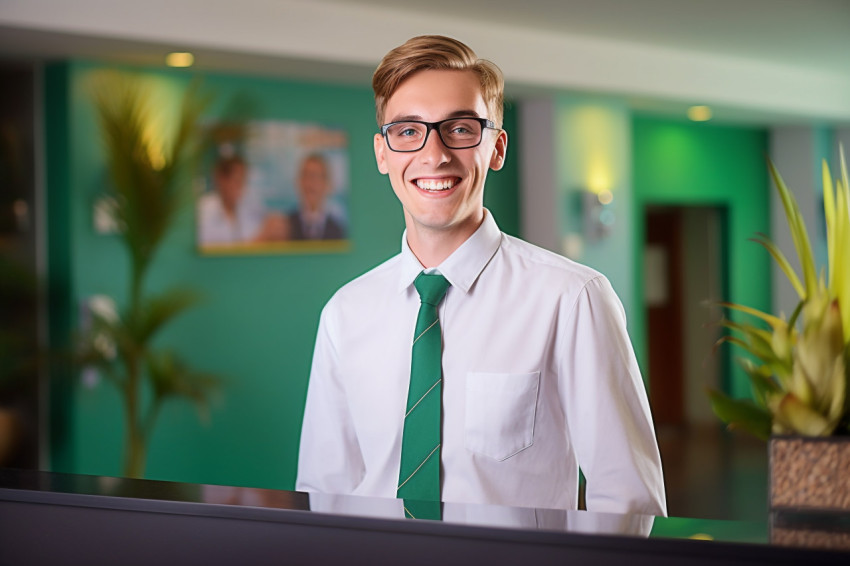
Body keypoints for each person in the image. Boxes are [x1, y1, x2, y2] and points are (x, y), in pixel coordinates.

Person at [296, 35, 666, 517]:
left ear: (496, 147)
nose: (434, 155)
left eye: (460, 128)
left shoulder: (572, 299)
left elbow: (627, 498)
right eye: (408, 131)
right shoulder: (345, 312)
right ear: (382, 152)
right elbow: (325, 492)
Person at [197, 152, 287, 245]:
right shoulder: (203, 212)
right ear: (221, 180)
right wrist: (261, 238)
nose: (241, 187)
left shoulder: (247, 208)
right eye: (237, 180)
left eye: (243, 181)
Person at [288, 153, 346, 240]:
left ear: (328, 184)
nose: (310, 183)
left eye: (316, 176)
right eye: (306, 175)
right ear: (299, 181)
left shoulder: (338, 230)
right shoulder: (286, 227)